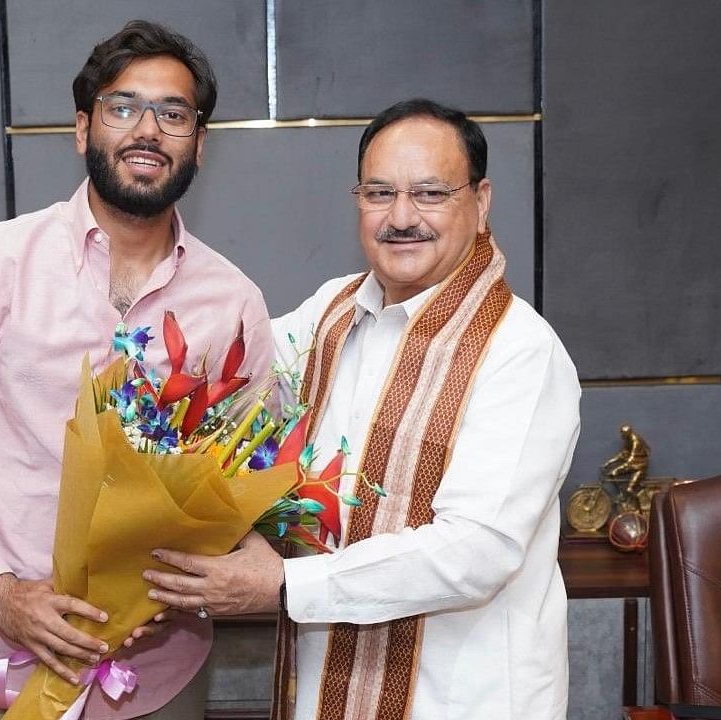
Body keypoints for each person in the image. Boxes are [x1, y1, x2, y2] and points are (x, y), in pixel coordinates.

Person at [0, 20, 273, 720]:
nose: (147, 129)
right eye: (124, 107)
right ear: (83, 128)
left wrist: (186, 588)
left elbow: (243, 480)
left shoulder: (233, 302)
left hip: (159, 670)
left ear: (200, 144)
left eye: (174, 114)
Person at [143, 99, 582, 719]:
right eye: (380, 193)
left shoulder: (521, 353)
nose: (401, 217)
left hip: (460, 700)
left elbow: (475, 552)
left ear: (481, 204)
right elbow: (229, 389)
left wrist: (284, 584)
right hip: (327, 691)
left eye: (430, 193)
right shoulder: (334, 312)